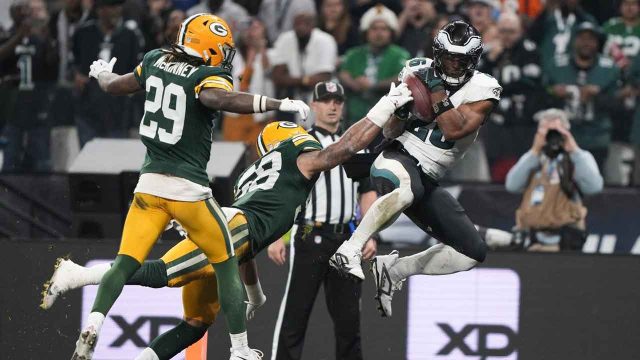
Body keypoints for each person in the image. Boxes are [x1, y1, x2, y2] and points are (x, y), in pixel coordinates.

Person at [42, 84, 413, 359]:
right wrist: (383, 108)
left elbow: (247, 253)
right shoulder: (299, 160)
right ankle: (77, 274)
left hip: (235, 235)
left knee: (196, 324)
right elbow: (343, 149)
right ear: (293, 141)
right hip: (232, 232)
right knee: (160, 274)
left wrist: (254, 293)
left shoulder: (250, 175)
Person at [70, 14, 311, 360]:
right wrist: (276, 104)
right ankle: (240, 349)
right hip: (188, 191)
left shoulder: (154, 60)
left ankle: (93, 323)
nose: (227, 56)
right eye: (224, 49)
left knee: (124, 263)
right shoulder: (206, 74)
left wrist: (101, 74)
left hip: (148, 186)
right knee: (227, 260)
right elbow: (221, 100)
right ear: (208, 45)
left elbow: (113, 86)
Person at [330, 20, 502, 317]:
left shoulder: (483, 89)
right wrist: (400, 111)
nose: (452, 66)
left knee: (472, 252)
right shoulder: (414, 72)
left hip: (428, 177)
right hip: (397, 157)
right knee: (407, 189)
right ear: (437, 54)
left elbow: (453, 130)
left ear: (472, 61)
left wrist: (433, 87)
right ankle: (350, 249)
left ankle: (394, 270)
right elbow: (390, 132)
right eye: (448, 58)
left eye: (460, 60)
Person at [267, 82, 378, 360]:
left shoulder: (356, 145)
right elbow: (284, 193)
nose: (332, 106)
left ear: (343, 105)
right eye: (326, 100)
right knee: (295, 316)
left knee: (349, 322)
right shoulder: (300, 143)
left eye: (337, 101)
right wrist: (277, 236)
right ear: (313, 105)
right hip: (308, 234)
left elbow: (367, 192)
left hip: (345, 241)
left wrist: (368, 234)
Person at [505, 108, 603, 251]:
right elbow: (512, 185)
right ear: (538, 133)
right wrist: (534, 151)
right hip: (532, 238)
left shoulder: (579, 157)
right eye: (545, 131)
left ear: (566, 132)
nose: (551, 136)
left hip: (566, 240)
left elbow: (594, 187)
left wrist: (573, 150)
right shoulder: (533, 158)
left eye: (555, 131)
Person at [545, 22, 622, 170]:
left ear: (598, 43)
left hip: (597, 137)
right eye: (582, 38)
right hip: (562, 136)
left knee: (593, 184)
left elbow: (618, 105)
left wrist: (598, 96)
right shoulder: (556, 65)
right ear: (574, 41)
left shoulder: (609, 69)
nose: (586, 43)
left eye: (591, 39)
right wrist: (554, 93)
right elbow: (541, 95)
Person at [478, 12, 543, 181]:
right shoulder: (488, 53)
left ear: (520, 31)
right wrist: (491, 60)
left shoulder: (529, 51)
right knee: (496, 170)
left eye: (511, 31)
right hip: (496, 124)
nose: (506, 36)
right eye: (503, 31)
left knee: (525, 169)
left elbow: (530, 82)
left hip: (524, 123)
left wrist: (497, 88)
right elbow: (477, 84)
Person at [71, 0, 144, 147]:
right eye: (110, 6)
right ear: (99, 10)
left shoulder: (130, 35)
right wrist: (76, 75)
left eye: (117, 6)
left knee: (114, 155)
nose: (115, 11)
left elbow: (138, 67)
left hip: (118, 108)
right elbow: (72, 61)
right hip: (88, 105)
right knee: (88, 156)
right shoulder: (84, 32)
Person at [0, 0, 58, 172]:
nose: (24, 12)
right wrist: (19, 35)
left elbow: (51, 65)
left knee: (41, 161)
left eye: (27, 9)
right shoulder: (6, 35)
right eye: (19, 8)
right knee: (10, 159)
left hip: (36, 104)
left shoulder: (39, 38)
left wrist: (46, 37)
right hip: (12, 107)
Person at [339, 5, 410, 129]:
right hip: (354, 120)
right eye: (374, 28)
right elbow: (343, 73)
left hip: (387, 122)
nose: (379, 33)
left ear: (391, 32)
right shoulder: (353, 54)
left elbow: (402, 78)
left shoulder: (401, 54)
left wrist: (373, 85)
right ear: (366, 32)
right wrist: (354, 83)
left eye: (384, 29)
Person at [270, 10, 337, 124]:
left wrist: (292, 79)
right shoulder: (285, 39)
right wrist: (305, 80)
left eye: (305, 24)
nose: (301, 27)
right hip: (294, 94)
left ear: (313, 25)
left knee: (320, 132)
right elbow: (277, 77)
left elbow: (324, 76)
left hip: (322, 93)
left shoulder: (325, 40)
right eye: (298, 24)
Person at [223, 18, 274, 161]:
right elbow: (238, 84)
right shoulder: (232, 56)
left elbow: (269, 71)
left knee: (259, 158)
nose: (251, 32)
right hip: (236, 115)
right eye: (248, 28)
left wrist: (261, 49)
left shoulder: (270, 53)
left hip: (259, 115)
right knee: (233, 161)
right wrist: (249, 64)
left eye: (256, 28)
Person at [528, 0, 596, 71]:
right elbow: (531, 41)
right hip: (546, 71)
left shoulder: (586, 22)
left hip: (574, 73)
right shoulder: (545, 20)